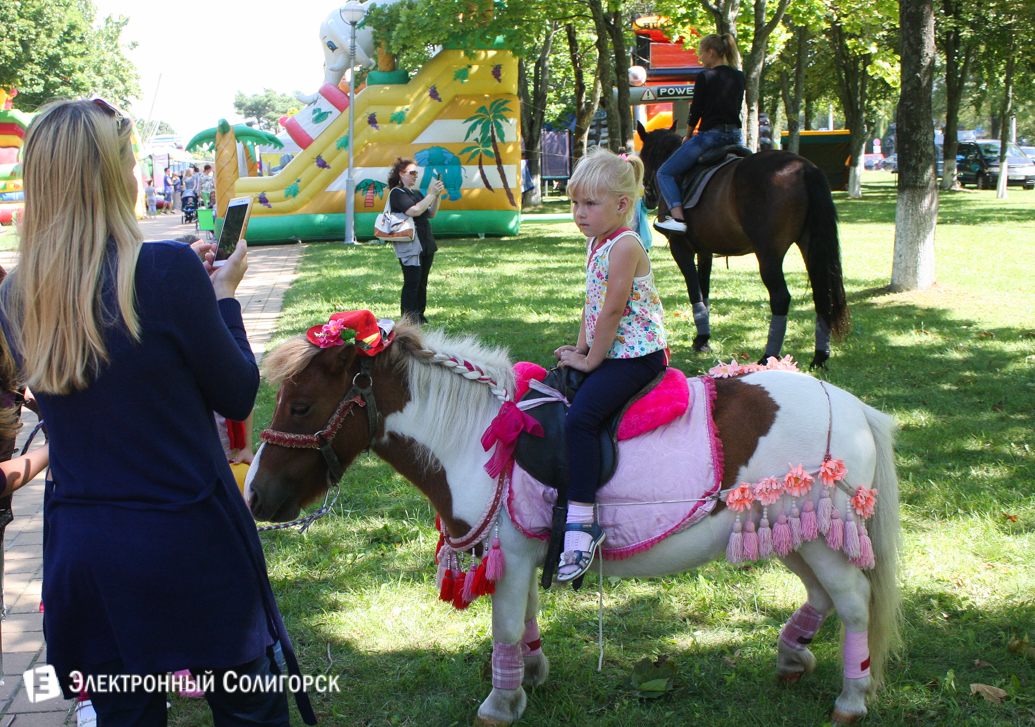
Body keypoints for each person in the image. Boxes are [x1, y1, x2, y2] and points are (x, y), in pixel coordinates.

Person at [0, 98, 315, 726]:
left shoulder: (17, 293)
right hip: (187, 538)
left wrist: (189, 289)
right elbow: (236, 393)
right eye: (130, 159)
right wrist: (222, 297)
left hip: (86, 551)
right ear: (114, 173)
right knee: (250, 711)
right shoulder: (165, 271)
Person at [554, 147, 668, 582]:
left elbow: (613, 310)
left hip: (637, 356)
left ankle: (582, 523)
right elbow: (592, 302)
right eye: (575, 204)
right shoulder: (596, 242)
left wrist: (590, 361)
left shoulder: (625, 245)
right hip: (610, 350)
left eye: (590, 203)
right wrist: (578, 349)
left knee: (581, 419)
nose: (579, 213)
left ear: (622, 204)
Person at [654, 33, 745, 233]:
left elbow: (696, 110)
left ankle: (678, 219)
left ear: (711, 53)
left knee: (664, 173)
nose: (699, 57)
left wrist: (688, 136)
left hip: (711, 137)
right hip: (736, 136)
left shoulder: (705, 76)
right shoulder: (739, 76)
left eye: (701, 53)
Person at [386, 158, 445, 324]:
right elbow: (414, 211)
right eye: (412, 172)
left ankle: (419, 317)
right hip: (410, 244)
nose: (415, 176)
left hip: (426, 243)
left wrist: (437, 196)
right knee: (412, 282)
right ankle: (408, 320)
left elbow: (431, 213)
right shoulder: (397, 193)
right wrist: (431, 194)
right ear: (401, 174)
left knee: (422, 282)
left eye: (416, 173)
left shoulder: (417, 193)